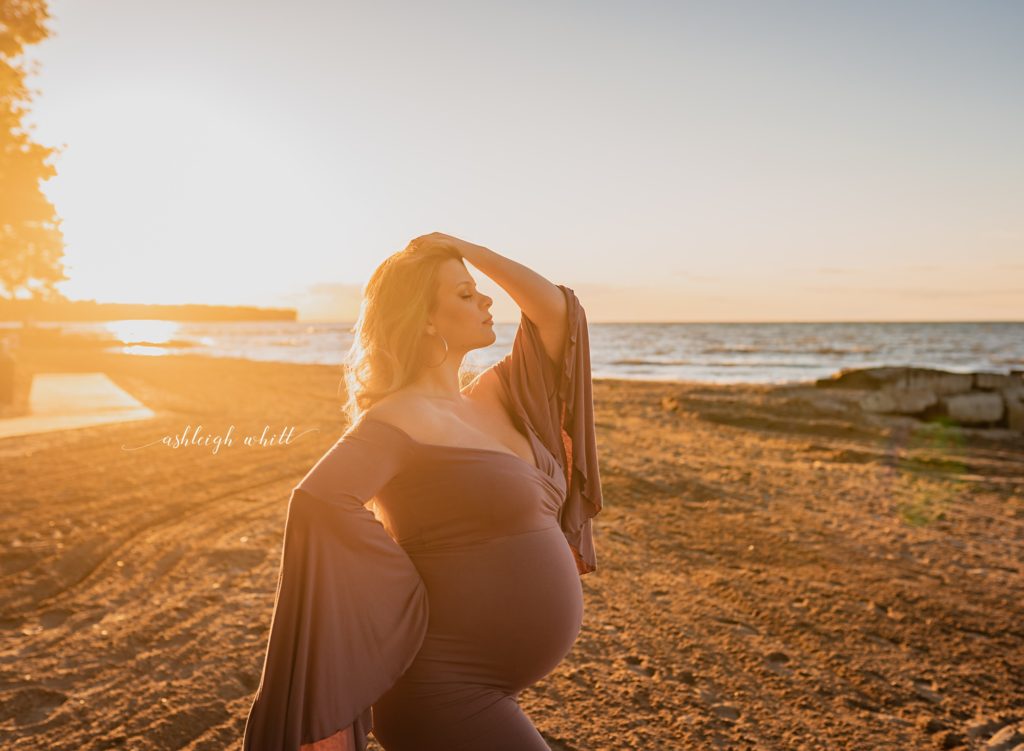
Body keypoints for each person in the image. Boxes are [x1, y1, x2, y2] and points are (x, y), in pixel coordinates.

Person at [242, 233, 603, 751]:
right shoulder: (398, 417)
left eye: (477, 290)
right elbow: (319, 500)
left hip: (482, 687)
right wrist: (399, 586)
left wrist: (462, 249)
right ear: (425, 319)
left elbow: (559, 314)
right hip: (441, 693)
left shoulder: (500, 395)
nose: (486, 301)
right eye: (463, 294)